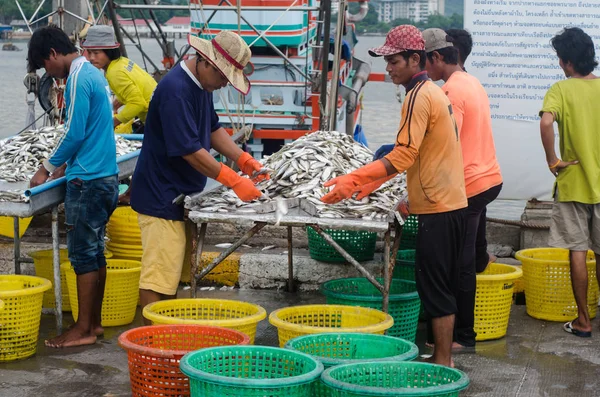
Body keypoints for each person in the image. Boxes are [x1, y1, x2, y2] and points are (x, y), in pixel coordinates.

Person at [321, 25, 467, 367]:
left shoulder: (419, 95)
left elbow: (403, 155)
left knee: (435, 288)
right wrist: (370, 184)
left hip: (438, 209)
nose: (388, 68)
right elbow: (417, 155)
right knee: (440, 284)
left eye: (394, 61)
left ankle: (443, 363)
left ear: (414, 59)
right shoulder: (431, 91)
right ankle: (442, 358)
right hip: (449, 203)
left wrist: (354, 178)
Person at [130, 31, 266, 322]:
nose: (223, 85)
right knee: (157, 278)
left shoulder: (200, 86)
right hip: (161, 197)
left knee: (171, 276)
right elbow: (190, 152)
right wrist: (233, 180)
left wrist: (244, 160)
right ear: (206, 63)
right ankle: (152, 339)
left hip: (181, 196)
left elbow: (213, 129)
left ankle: (165, 330)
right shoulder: (176, 91)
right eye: (223, 78)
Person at [28, 25, 119, 348]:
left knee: (82, 255)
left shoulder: (80, 75)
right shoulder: (95, 74)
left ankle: (81, 329)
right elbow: (93, 129)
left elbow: (75, 131)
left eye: (44, 65)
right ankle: (93, 325)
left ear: (53, 54)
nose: (48, 73)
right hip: (105, 176)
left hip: (89, 181)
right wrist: (64, 163)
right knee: (95, 253)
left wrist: (46, 168)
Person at [422, 28, 503, 348]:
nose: (424, 71)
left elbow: (446, 145)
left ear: (438, 57)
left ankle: (463, 336)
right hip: (489, 179)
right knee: (472, 255)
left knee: (460, 264)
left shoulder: (452, 92)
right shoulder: (471, 81)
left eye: (425, 63)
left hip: (469, 186)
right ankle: (461, 328)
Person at [539, 27, 600, 338]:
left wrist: (554, 160)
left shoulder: (560, 89)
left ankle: (584, 321)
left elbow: (547, 121)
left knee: (578, 250)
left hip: (573, 182)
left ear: (567, 62)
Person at [82, 25, 157, 131]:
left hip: (157, 119)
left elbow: (137, 104)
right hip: (160, 109)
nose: (91, 58)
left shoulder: (114, 73)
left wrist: (112, 122)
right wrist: (117, 103)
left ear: (108, 52)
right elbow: (136, 88)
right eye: (89, 52)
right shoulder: (122, 61)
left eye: (96, 53)